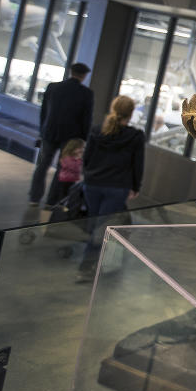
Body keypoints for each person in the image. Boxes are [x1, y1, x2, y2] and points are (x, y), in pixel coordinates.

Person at [76, 95, 144, 283]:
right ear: (131, 114)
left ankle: (91, 263)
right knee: (101, 227)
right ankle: (87, 266)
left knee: (96, 224)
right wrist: (135, 186)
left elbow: (87, 157)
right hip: (117, 187)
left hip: (93, 185)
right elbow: (137, 164)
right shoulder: (135, 136)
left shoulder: (98, 131)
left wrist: (87, 175)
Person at [28, 62, 94, 206]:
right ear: (84, 76)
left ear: (71, 72)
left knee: (42, 165)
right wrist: (83, 139)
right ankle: (52, 201)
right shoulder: (86, 93)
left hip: (49, 132)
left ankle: (34, 197)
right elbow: (86, 118)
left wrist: (42, 130)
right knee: (63, 167)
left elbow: (44, 111)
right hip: (71, 137)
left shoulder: (53, 87)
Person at [45, 138, 84, 206]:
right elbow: (74, 168)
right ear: (73, 148)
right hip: (64, 181)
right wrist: (79, 160)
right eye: (80, 148)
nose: (82, 150)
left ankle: (64, 208)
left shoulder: (76, 158)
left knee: (68, 196)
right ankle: (59, 208)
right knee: (62, 196)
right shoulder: (67, 157)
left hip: (72, 180)